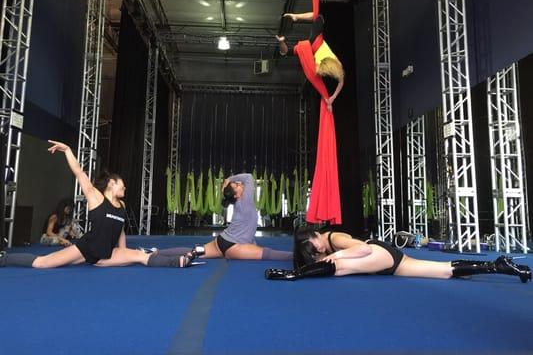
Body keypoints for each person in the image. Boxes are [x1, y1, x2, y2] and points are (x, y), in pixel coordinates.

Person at [0, 140, 152, 268]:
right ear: (112, 183)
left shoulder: (122, 206)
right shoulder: (96, 197)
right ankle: (3, 258)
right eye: (122, 185)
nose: (125, 188)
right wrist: (66, 150)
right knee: (43, 263)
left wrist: (123, 252)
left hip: (103, 254)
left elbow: (120, 231)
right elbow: (79, 172)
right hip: (87, 247)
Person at [265, 227, 532, 283]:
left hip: (378, 252)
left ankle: (294, 275)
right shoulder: (330, 242)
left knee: (340, 265)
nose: (318, 251)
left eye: (314, 248)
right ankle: (499, 266)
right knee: (442, 270)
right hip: (391, 261)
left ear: (314, 236)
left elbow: (365, 249)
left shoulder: (334, 237)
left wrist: (334, 256)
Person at [146, 173, 293, 268]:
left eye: (238, 184)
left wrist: (227, 184)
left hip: (221, 241)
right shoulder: (244, 199)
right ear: (236, 195)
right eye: (237, 185)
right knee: (268, 254)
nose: (240, 184)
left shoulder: (235, 200)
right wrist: (230, 179)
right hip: (233, 246)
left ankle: (157, 252)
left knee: (194, 251)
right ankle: (297, 256)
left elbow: (228, 192)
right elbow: (248, 177)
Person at [276, 12, 344, 111]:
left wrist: (332, 98)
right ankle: (293, 21)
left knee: (319, 16)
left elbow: (340, 82)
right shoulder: (329, 64)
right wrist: (332, 98)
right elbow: (340, 82)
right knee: (318, 16)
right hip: (314, 44)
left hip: (314, 44)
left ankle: (284, 38)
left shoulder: (336, 65)